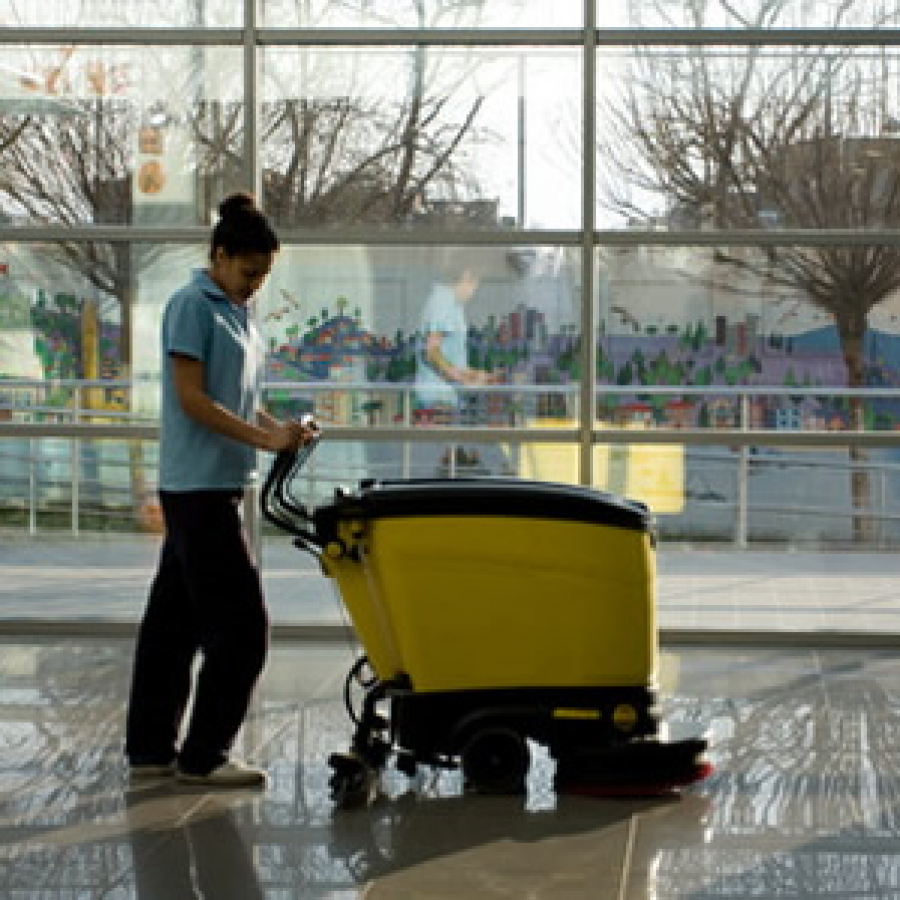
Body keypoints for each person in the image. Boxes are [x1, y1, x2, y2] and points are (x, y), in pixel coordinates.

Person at [125, 193, 316, 788]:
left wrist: (280, 431)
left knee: (173, 627)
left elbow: (238, 402)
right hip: (198, 488)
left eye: (263, 275)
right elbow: (192, 399)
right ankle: (204, 757)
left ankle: (151, 750)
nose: (256, 284)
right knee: (243, 630)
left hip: (215, 486)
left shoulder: (237, 312)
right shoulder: (191, 305)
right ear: (219, 254)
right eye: (248, 271)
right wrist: (264, 444)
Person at [414, 254, 498, 424]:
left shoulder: (453, 305)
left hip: (446, 397)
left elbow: (450, 358)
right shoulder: (443, 301)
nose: (473, 291)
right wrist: (463, 378)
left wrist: (475, 375)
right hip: (437, 399)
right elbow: (432, 352)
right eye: (473, 285)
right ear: (465, 277)